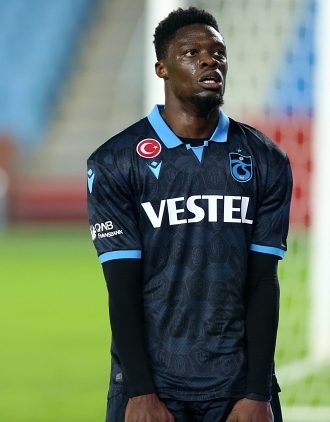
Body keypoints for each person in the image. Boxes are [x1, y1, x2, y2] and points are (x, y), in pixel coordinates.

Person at [87, 6, 292, 422]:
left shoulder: (265, 159)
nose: (209, 61)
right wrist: (141, 393)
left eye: (218, 53)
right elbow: (122, 288)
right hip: (152, 389)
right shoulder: (115, 162)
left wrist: (257, 392)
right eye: (191, 53)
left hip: (238, 389)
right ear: (162, 68)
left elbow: (262, 281)